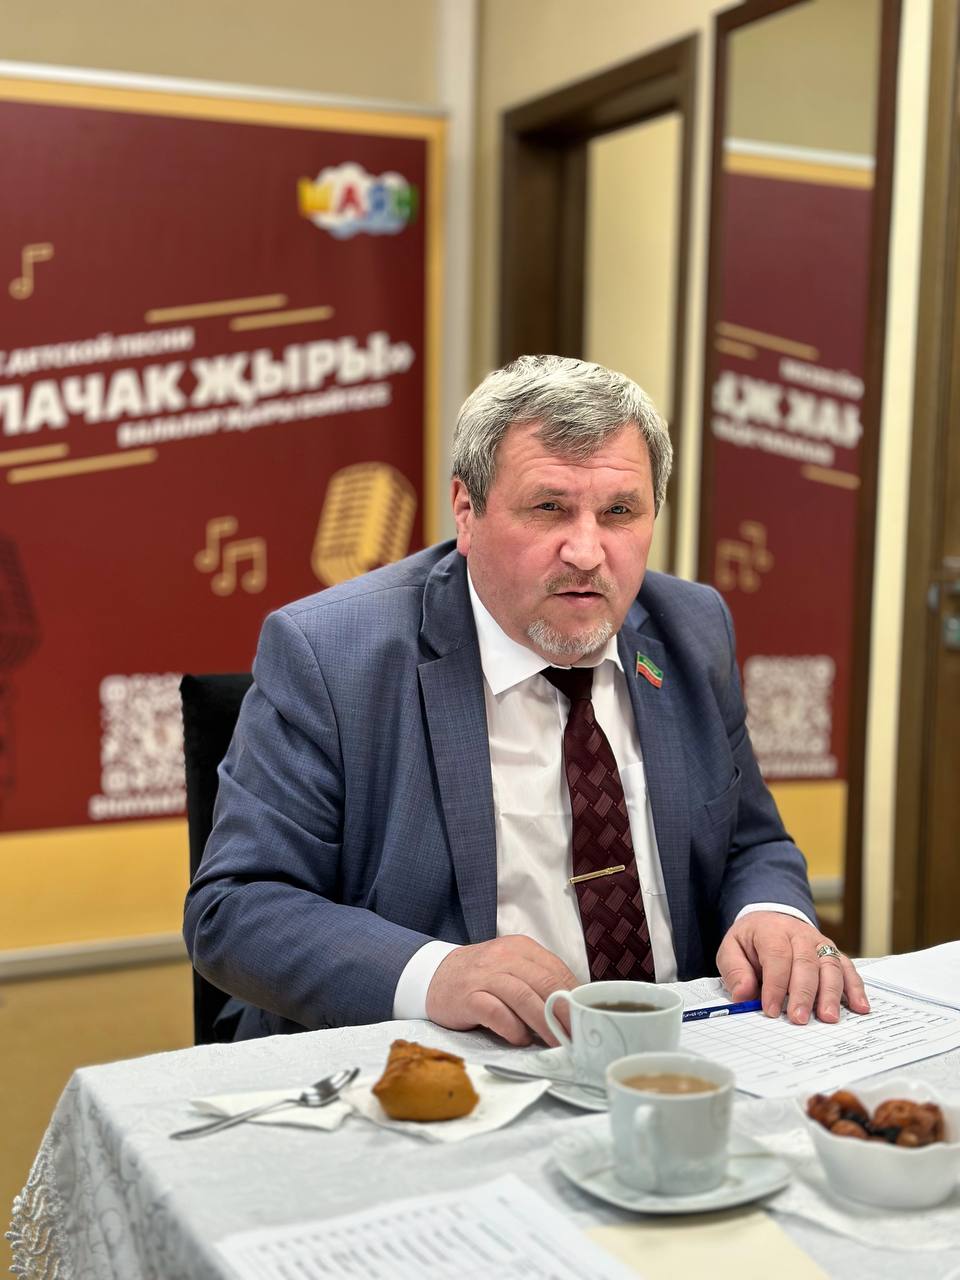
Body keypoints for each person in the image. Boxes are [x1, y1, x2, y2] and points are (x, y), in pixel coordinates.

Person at [183, 354, 869, 1043]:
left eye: (620, 511)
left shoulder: (690, 629)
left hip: (672, 1050)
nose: (586, 552)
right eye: (549, 508)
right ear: (467, 511)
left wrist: (771, 912)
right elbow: (236, 908)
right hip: (437, 1060)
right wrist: (437, 974)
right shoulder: (331, 654)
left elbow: (751, 841)